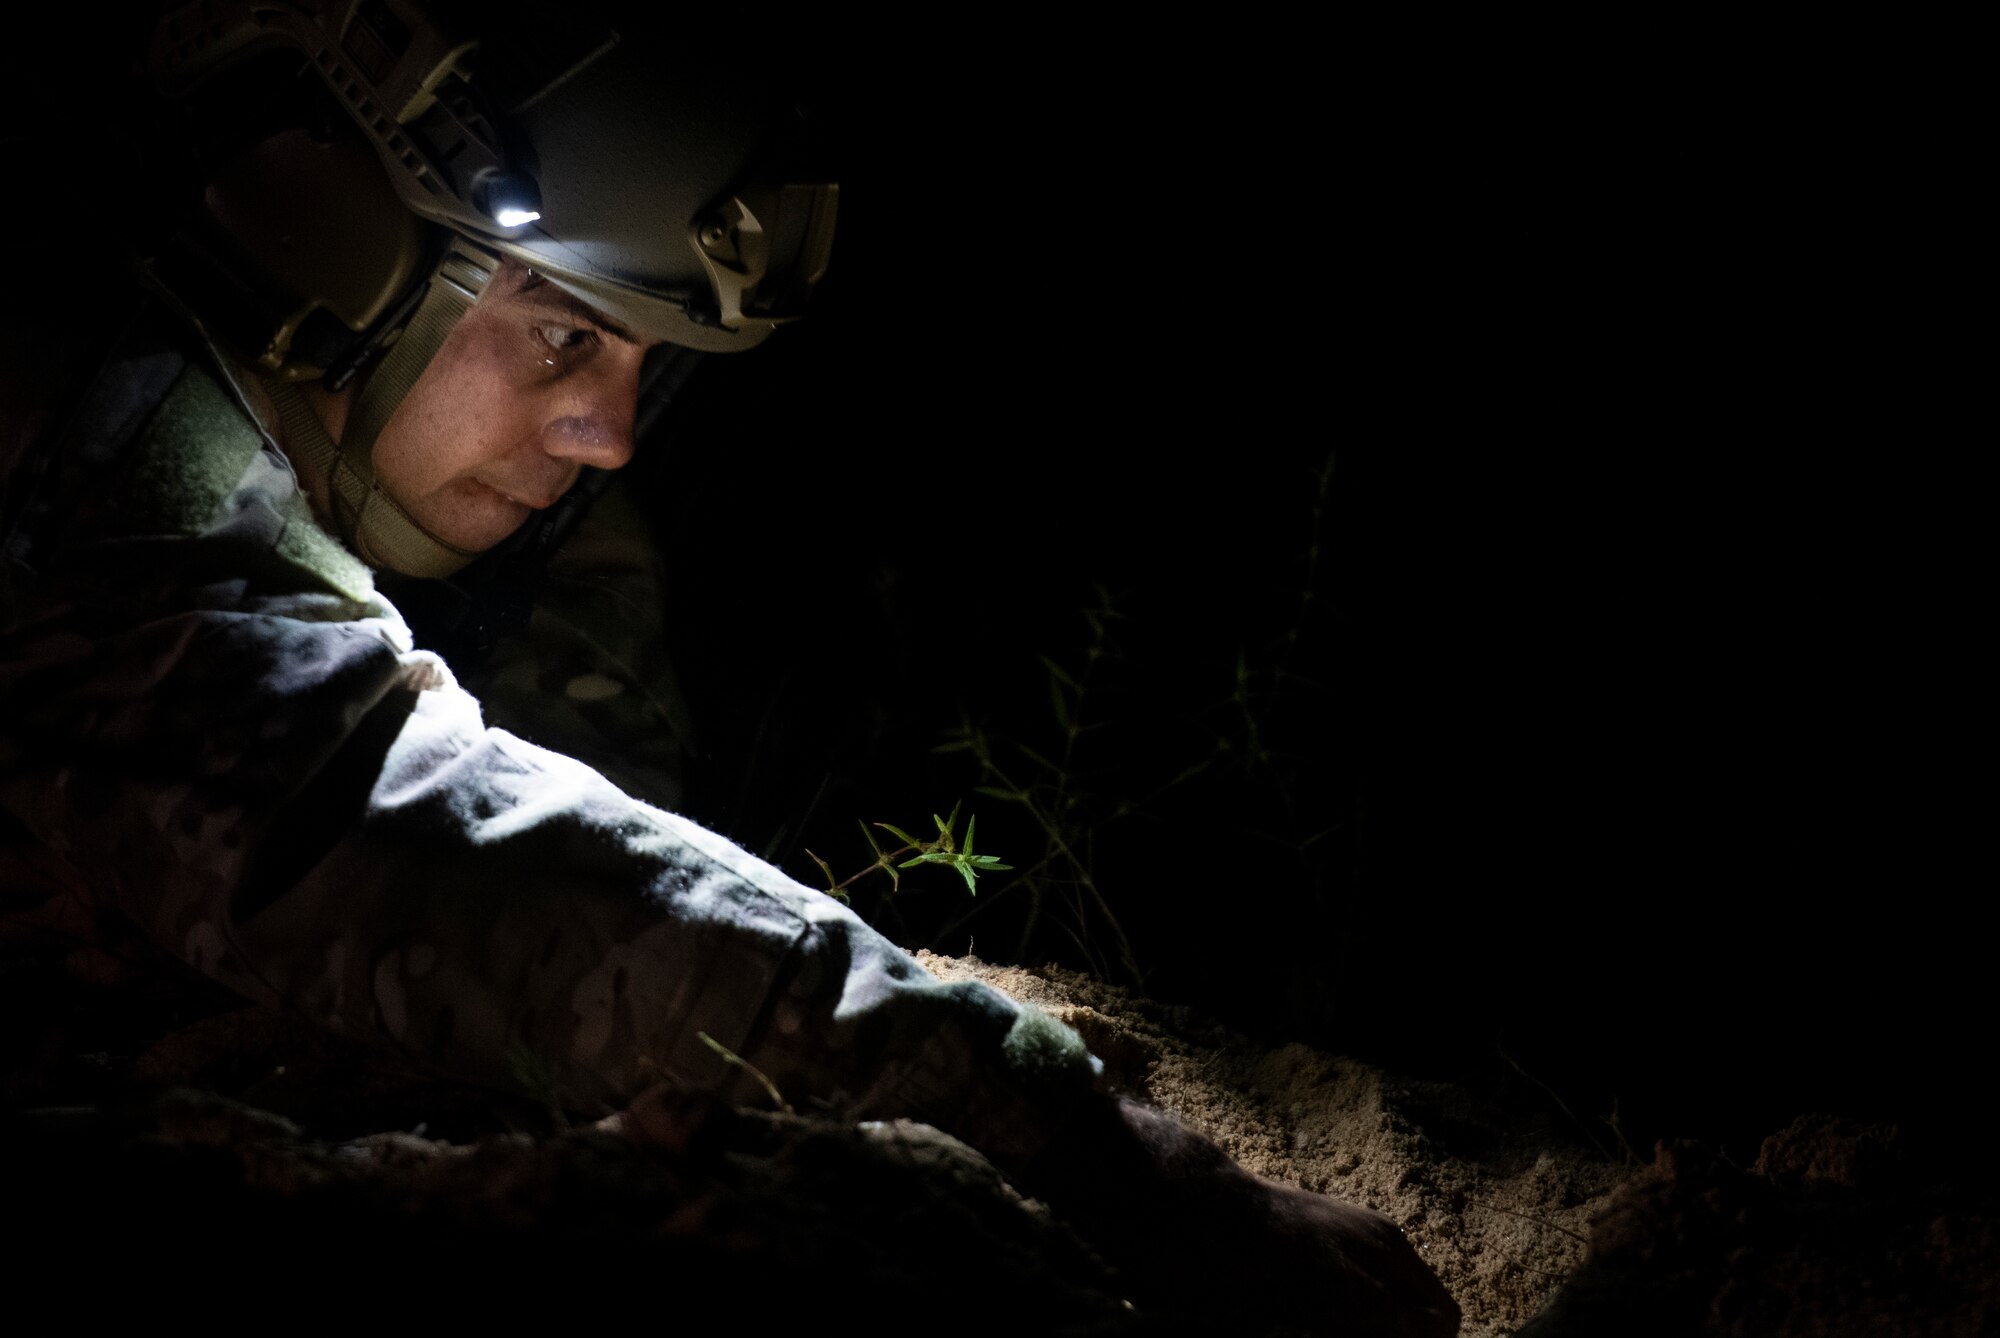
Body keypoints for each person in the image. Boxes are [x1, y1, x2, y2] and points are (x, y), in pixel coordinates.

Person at [0, 4, 1457, 1332]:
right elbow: (405, 835)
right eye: (564, 334)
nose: (606, 431)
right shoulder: (102, 448)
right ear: (327, 232)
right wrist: (1076, 1141)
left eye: (646, 367)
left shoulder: (468, 505)